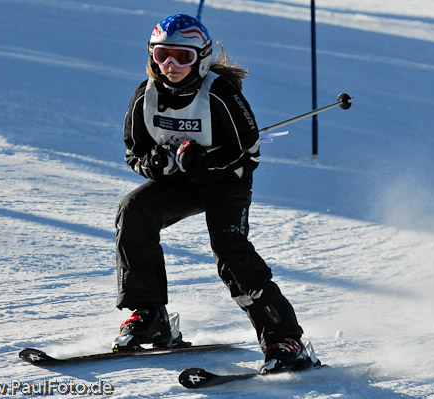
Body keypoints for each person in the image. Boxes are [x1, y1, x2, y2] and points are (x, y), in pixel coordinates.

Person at [114, 13, 314, 373]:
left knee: (229, 250)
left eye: (183, 57)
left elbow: (247, 152)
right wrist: (157, 165)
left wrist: (204, 160)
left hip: (226, 184)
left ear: (202, 58)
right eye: (162, 55)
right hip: (180, 185)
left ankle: (285, 339)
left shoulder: (219, 94)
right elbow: (134, 153)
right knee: (134, 210)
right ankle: (151, 315)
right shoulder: (145, 96)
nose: (171, 66)